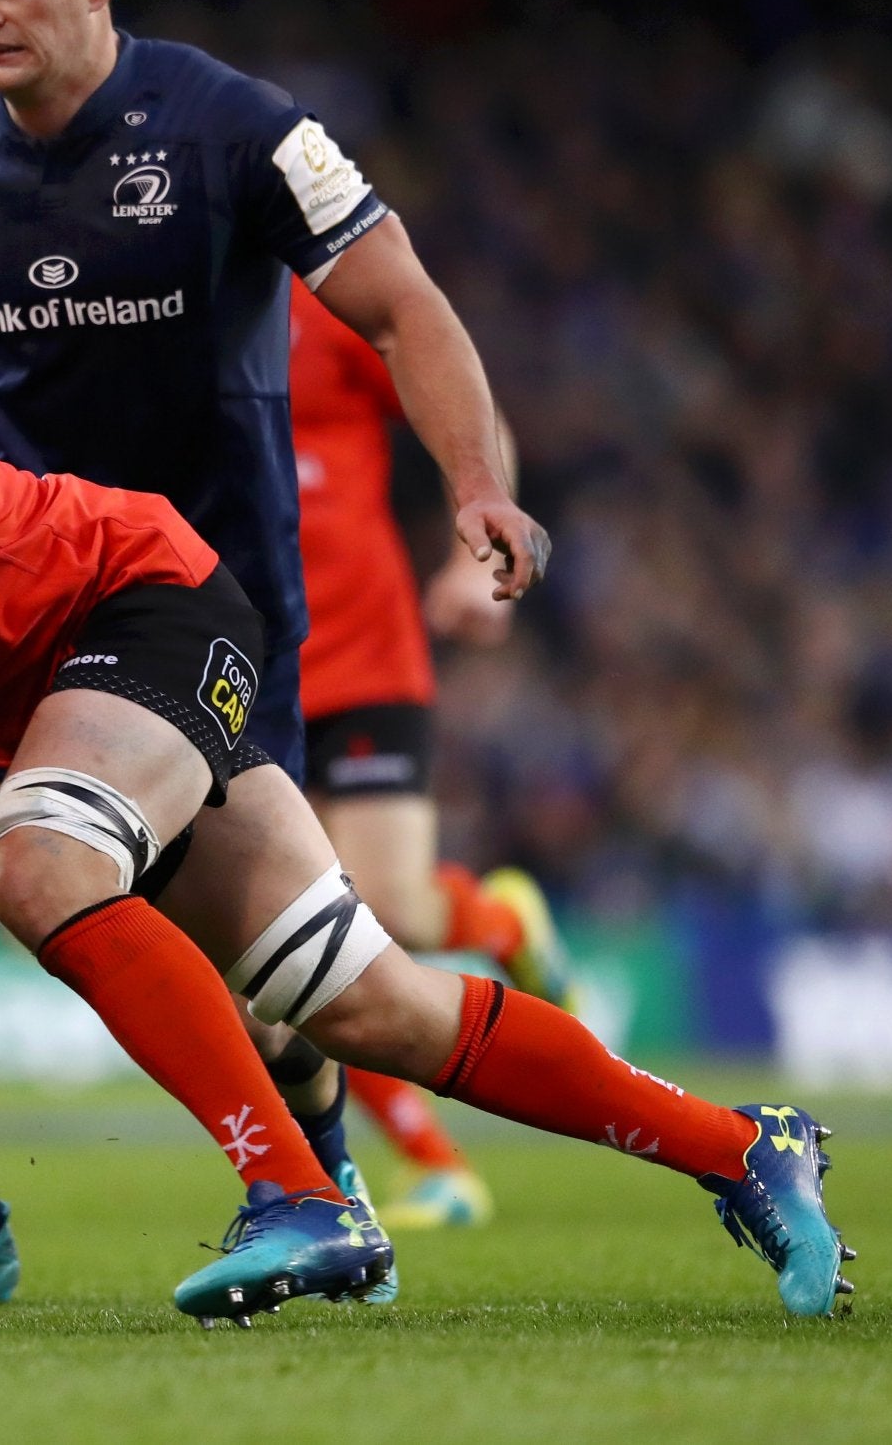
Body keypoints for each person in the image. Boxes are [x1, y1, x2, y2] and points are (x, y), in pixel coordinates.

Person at [0, 395, 857, 1322]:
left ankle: (296, 1191)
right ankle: (745, 1145)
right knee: (365, 999)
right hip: (56, 698)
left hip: (151, 605)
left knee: (40, 863)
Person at [0, 0, 548, 1311]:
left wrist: (477, 485)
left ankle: (323, 1188)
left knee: (279, 979)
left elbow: (404, 306)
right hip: (6, 595)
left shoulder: (237, 130)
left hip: (198, 606)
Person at [287, 277, 566, 1229]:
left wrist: (471, 552)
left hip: (364, 654)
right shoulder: (158, 310)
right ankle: (437, 1165)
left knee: (385, 911)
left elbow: (467, 407)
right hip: (239, 662)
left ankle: (496, 921)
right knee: (290, 945)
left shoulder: (325, 305)